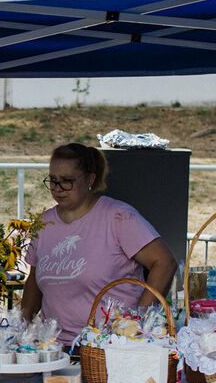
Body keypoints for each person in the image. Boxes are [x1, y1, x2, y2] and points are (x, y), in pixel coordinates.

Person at [21, 143, 177, 345]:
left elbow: (164, 263)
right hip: (53, 346)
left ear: (90, 179)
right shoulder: (44, 223)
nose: (58, 189)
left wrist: (136, 322)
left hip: (108, 345)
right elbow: (34, 281)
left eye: (67, 181)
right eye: (53, 180)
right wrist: (23, 328)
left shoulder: (119, 217)